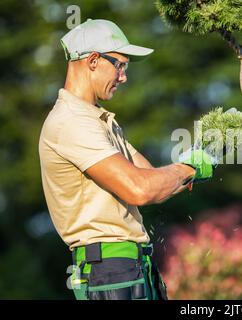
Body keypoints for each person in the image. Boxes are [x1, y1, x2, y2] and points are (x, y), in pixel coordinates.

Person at [38, 19, 215, 300]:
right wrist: (188, 168)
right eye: (119, 65)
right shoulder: (71, 122)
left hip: (128, 265)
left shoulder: (98, 121)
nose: (123, 77)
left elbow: (153, 179)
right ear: (93, 60)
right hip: (108, 269)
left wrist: (200, 162)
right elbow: (140, 189)